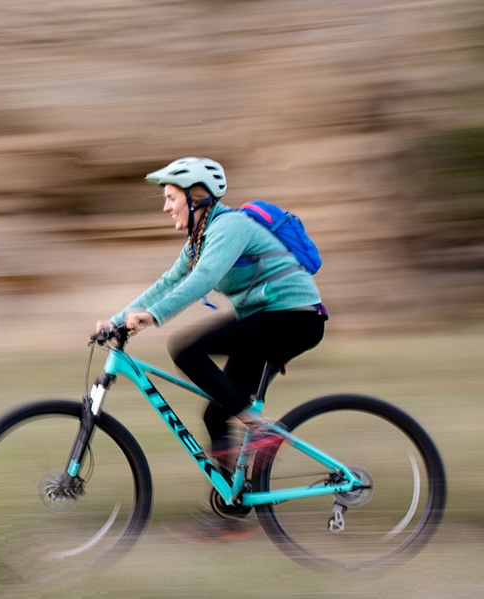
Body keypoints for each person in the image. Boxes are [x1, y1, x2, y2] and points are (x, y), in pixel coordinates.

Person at [92, 156, 328, 541]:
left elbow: (203, 280)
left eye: (171, 197)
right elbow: (168, 283)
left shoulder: (229, 226)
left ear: (196, 196)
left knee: (186, 348)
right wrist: (117, 320)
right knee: (217, 417)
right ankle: (231, 512)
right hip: (265, 320)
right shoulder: (198, 240)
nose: (166, 206)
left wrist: (151, 317)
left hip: (294, 316)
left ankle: (260, 431)